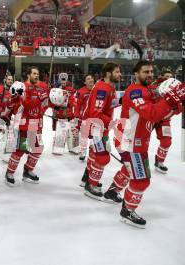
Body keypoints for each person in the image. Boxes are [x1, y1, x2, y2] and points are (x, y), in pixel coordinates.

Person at [104, 60, 185, 227]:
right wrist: (170, 100)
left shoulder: (147, 90)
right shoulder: (135, 92)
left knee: (129, 169)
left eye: (150, 72)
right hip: (130, 142)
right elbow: (153, 114)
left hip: (132, 140)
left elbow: (164, 113)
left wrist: (176, 103)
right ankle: (127, 211)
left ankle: (112, 191)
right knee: (142, 180)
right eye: (145, 72)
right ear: (136, 74)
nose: (149, 75)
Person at [81, 62, 121, 198]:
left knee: (94, 153)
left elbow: (110, 105)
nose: (120, 74)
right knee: (102, 157)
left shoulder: (109, 87)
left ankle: (88, 178)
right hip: (97, 128)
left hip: (101, 128)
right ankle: (90, 185)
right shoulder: (103, 89)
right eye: (117, 72)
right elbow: (96, 114)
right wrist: (112, 122)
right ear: (108, 73)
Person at [4, 67, 49, 186]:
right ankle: (9, 173)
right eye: (34, 73)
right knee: (20, 150)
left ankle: (28, 171)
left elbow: (45, 104)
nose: (36, 75)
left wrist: (49, 104)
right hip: (24, 125)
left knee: (38, 148)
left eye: (38, 73)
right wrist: (40, 98)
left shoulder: (41, 87)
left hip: (37, 124)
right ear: (28, 75)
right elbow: (27, 104)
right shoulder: (22, 87)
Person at [149, 70, 182, 173]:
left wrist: (177, 107)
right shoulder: (151, 87)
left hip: (164, 120)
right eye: (167, 76)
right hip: (149, 118)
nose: (170, 79)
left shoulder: (176, 90)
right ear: (161, 76)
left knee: (166, 141)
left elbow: (179, 109)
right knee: (139, 141)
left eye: (171, 77)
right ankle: (131, 158)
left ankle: (159, 162)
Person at [49, 72, 77, 155]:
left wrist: (68, 104)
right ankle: (58, 148)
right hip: (59, 114)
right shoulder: (54, 89)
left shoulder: (71, 89)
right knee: (61, 130)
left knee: (73, 130)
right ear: (59, 80)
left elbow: (73, 99)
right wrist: (54, 106)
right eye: (61, 79)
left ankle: (74, 147)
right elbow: (51, 100)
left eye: (64, 79)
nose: (63, 81)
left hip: (69, 113)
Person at [74, 74, 95, 162]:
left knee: (95, 136)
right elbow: (77, 105)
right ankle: (83, 153)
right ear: (85, 82)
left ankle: (93, 152)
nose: (90, 80)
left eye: (91, 78)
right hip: (85, 118)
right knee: (84, 136)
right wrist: (76, 116)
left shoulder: (97, 89)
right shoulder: (80, 91)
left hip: (96, 118)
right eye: (88, 79)